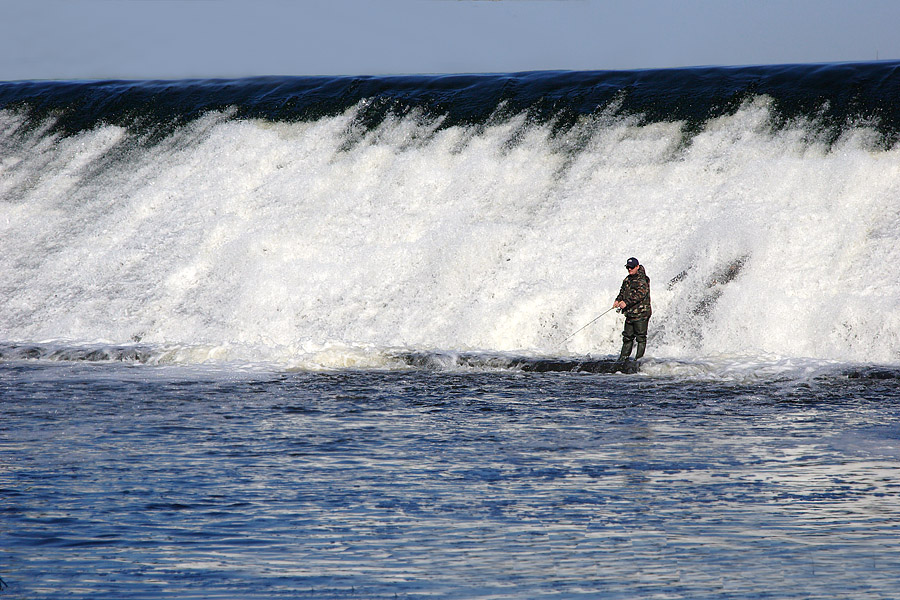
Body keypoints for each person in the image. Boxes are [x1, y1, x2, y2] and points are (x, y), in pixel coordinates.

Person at [613, 257, 651, 361]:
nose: (630, 269)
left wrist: (626, 302)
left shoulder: (643, 279)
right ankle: (623, 359)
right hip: (630, 314)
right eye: (628, 267)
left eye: (632, 267)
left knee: (640, 337)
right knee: (627, 337)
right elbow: (622, 292)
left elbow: (640, 294)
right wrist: (618, 300)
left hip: (641, 314)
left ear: (637, 267)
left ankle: (638, 360)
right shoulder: (627, 279)